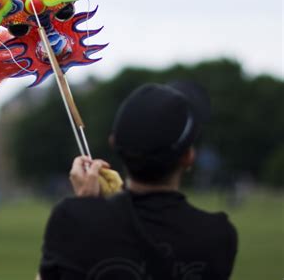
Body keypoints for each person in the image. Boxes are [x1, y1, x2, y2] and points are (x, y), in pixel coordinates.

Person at [38, 81, 238, 280]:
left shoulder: (73, 220)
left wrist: (85, 207)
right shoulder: (218, 237)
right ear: (188, 157)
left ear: (113, 143)